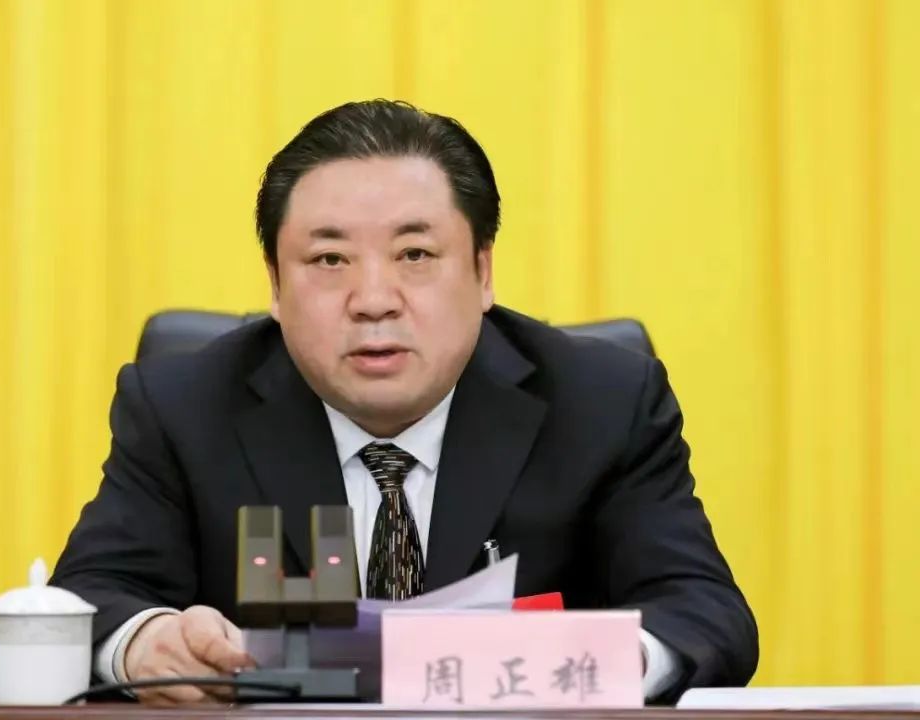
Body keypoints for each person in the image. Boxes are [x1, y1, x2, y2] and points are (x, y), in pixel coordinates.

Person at [50, 99, 758, 706]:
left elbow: (704, 614)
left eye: (415, 255)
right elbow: (87, 597)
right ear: (275, 284)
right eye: (329, 260)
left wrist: (589, 663)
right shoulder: (184, 408)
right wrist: (144, 643)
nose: (373, 301)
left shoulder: (602, 404)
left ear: (482, 271)